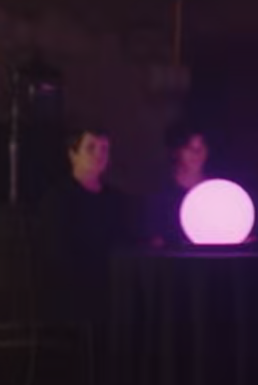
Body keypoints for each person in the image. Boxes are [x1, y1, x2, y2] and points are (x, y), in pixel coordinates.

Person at [38, 126, 133, 324]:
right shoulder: (58, 198)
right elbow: (56, 252)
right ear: (73, 155)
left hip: (112, 281)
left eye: (104, 149)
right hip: (74, 287)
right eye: (91, 148)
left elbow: (126, 241)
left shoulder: (116, 198)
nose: (99, 154)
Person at [145, 123, 210, 248]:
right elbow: (155, 244)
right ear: (175, 152)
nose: (196, 153)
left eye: (201, 146)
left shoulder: (218, 193)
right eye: (189, 147)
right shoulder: (160, 196)